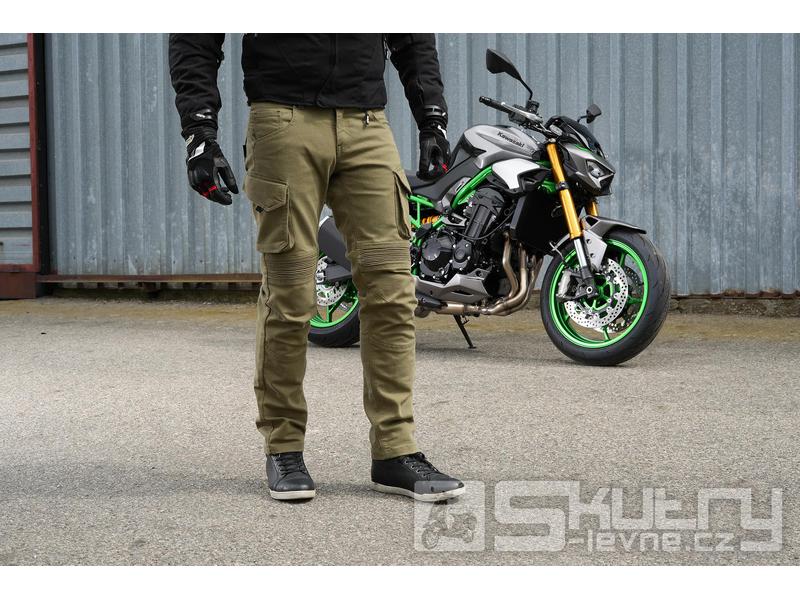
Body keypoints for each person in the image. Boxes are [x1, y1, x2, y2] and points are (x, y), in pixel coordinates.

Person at [169, 34, 464, 502]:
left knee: (392, 290)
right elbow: (195, 35)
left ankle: (394, 450)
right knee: (291, 293)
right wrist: (199, 132)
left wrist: (432, 118)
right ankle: (284, 446)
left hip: (367, 124)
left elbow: (411, 36)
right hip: (282, 121)